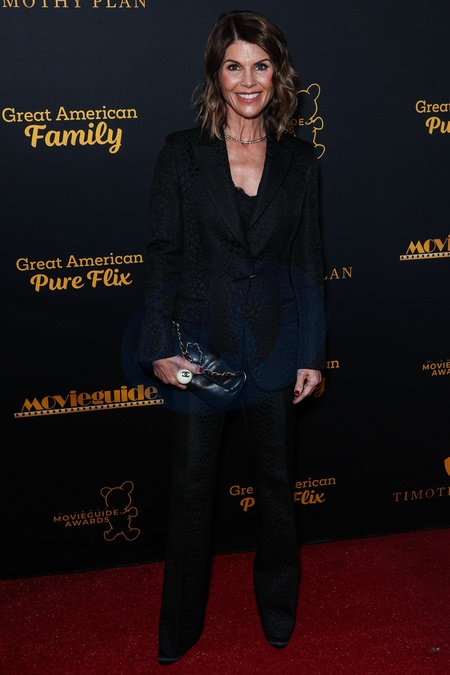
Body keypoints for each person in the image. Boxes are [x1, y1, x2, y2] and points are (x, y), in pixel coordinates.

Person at [139, 10, 326, 665]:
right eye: (234, 65)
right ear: (216, 75)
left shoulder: (300, 161)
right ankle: (179, 630)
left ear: (279, 74)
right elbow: (163, 252)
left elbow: (308, 262)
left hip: (276, 347)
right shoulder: (181, 154)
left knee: (275, 485)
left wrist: (311, 352)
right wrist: (159, 342)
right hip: (199, 349)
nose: (248, 80)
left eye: (261, 65)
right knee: (192, 489)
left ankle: (278, 613)